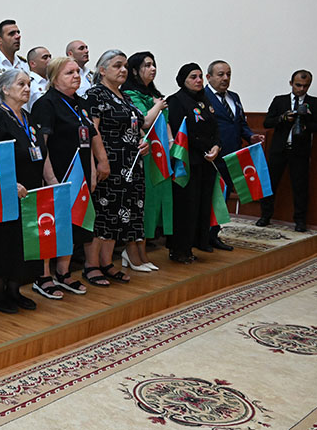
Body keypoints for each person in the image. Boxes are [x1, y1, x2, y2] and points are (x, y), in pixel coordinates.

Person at [31, 56, 108, 298]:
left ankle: (63, 272)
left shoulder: (80, 103)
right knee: (53, 226)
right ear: (55, 78)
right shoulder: (46, 104)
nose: (76, 76)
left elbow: (88, 139)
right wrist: (51, 180)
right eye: (69, 73)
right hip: (58, 174)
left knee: (74, 224)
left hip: (81, 175)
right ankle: (43, 276)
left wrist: (92, 171)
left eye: (77, 72)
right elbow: (41, 146)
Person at [84, 50, 152, 285]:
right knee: (103, 214)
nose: (123, 70)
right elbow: (92, 130)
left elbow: (135, 127)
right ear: (102, 70)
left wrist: (143, 142)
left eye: (125, 66)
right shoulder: (95, 94)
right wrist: (101, 161)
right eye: (117, 65)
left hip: (131, 165)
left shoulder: (125, 97)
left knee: (119, 214)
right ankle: (92, 265)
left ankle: (107, 263)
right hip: (110, 164)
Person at [0, 69, 43, 313]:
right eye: (21, 84)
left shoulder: (28, 117)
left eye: (28, 84)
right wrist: (10, 183)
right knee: (3, 243)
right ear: (5, 89)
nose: (27, 88)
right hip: (7, 190)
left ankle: (15, 290)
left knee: (22, 242)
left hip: (31, 188)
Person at [205, 60, 263, 248]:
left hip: (232, 157)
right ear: (209, 77)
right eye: (220, 74)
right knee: (210, 197)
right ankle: (202, 235)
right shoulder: (203, 97)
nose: (225, 78)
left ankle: (214, 234)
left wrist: (251, 136)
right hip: (213, 157)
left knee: (224, 197)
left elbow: (240, 124)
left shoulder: (234, 97)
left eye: (228, 74)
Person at [166, 63, 220, 262]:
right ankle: (179, 249)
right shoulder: (176, 100)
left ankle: (195, 244)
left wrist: (217, 146)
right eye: (193, 77)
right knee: (185, 206)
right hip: (187, 162)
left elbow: (215, 127)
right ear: (183, 80)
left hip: (207, 161)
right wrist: (204, 147)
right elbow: (181, 132)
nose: (198, 80)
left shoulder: (204, 99)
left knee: (201, 205)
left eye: (200, 77)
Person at [258, 69, 317, 232]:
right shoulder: (279, 100)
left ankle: (300, 221)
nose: (301, 89)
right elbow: (267, 123)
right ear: (291, 83)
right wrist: (283, 118)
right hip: (279, 149)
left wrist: (306, 120)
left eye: (305, 86)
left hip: (300, 151)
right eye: (298, 85)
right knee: (270, 183)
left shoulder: (315, 103)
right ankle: (265, 215)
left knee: (300, 186)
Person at [121, 51, 169, 270]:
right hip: (142, 155)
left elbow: (165, 123)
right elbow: (145, 121)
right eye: (147, 65)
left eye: (154, 64)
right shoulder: (129, 94)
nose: (153, 69)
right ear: (134, 70)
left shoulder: (154, 94)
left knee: (152, 203)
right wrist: (158, 106)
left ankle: (143, 251)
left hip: (159, 154)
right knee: (142, 204)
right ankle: (132, 251)